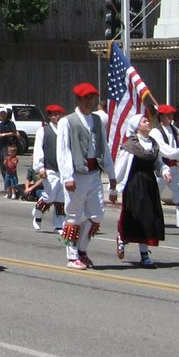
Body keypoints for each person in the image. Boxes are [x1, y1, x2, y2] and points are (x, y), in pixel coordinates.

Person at [58, 83, 116, 270]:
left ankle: (82, 249)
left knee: (97, 214)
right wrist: (67, 176)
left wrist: (112, 174)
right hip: (76, 173)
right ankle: (72, 255)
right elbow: (63, 151)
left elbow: (104, 149)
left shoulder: (98, 121)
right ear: (78, 99)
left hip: (93, 173)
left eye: (92, 98)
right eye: (86, 98)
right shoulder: (67, 121)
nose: (89, 101)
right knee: (73, 215)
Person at [114, 114, 170, 268]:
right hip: (134, 184)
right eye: (144, 121)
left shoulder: (153, 144)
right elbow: (120, 168)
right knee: (133, 215)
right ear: (137, 126)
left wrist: (164, 171)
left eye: (147, 121)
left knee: (148, 218)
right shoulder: (131, 145)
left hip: (149, 184)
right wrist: (114, 187)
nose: (148, 123)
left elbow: (158, 163)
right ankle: (122, 237)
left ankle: (144, 255)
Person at [149, 103, 179, 236]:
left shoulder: (175, 129)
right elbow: (166, 151)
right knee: (152, 196)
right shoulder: (155, 132)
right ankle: (145, 223)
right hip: (161, 168)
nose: (171, 116)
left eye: (172, 114)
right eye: (168, 114)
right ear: (161, 116)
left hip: (174, 167)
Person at [31, 104, 66, 232]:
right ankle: (38, 213)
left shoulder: (65, 130)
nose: (57, 116)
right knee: (49, 195)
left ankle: (58, 224)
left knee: (61, 197)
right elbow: (38, 149)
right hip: (49, 168)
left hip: (63, 169)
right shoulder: (43, 131)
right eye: (54, 114)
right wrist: (40, 168)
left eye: (59, 114)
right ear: (50, 116)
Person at [0, 106, 18, 182]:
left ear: (6, 114)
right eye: (1, 114)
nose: (2, 115)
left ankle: (14, 188)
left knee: (10, 166)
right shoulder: (0, 124)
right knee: (3, 167)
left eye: (4, 113)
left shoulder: (10, 123)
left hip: (8, 146)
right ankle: (8, 188)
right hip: (1, 146)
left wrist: (3, 135)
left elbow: (15, 133)